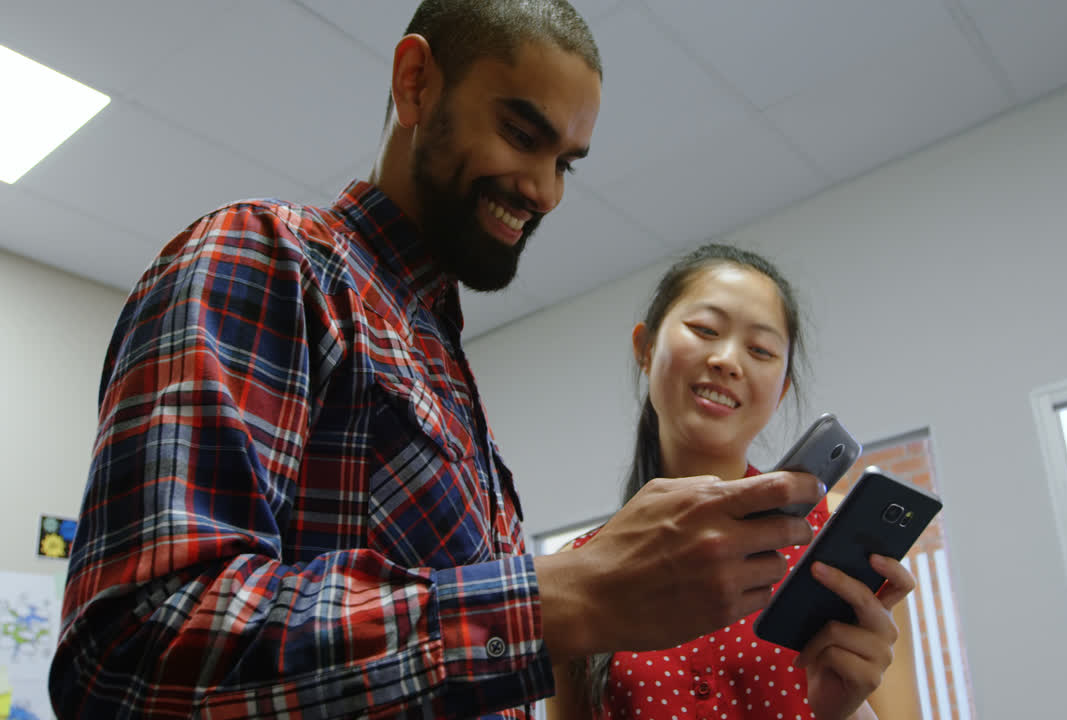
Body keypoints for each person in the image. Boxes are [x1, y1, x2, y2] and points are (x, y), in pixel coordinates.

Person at [48, 2, 830, 718]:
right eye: (521, 134)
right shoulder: (269, 257)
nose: (547, 191)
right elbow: (132, 652)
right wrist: (559, 598)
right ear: (416, 82)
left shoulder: (447, 376)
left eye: (566, 162)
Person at [544, 244, 921, 720]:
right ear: (646, 348)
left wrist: (845, 710)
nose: (727, 360)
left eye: (760, 350)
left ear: (781, 390)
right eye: (705, 330)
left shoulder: (837, 534)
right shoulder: (580, 567)